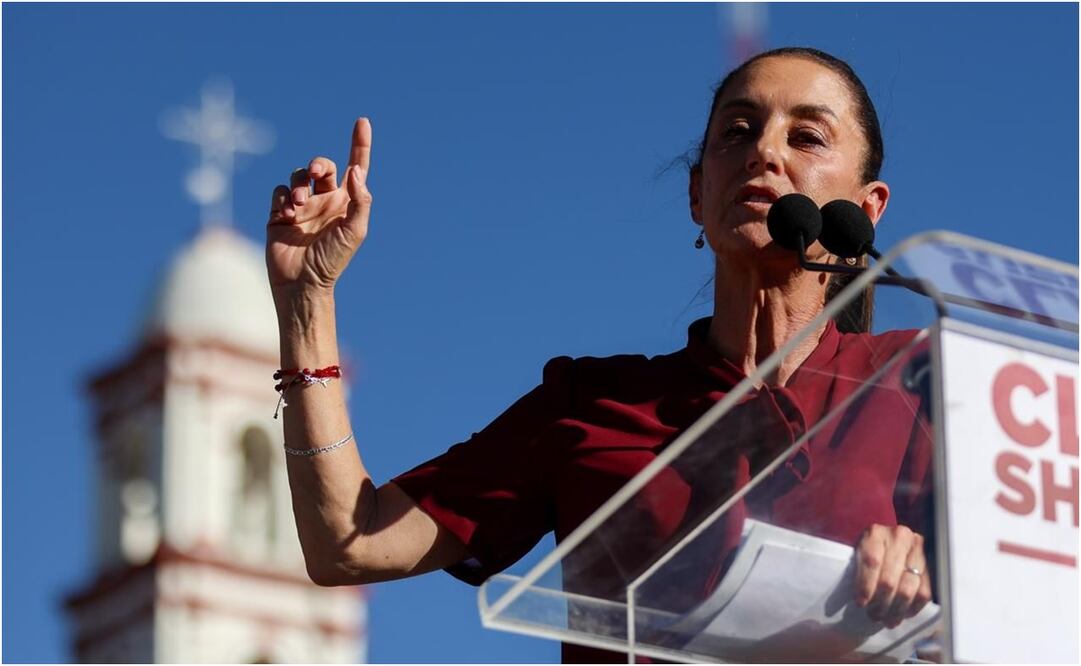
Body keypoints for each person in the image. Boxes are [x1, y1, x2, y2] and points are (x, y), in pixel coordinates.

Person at [265, 46, 935, 663]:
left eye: (806, 136)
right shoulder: (588, 404)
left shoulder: (928, 381)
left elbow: (1030, 575)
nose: (762, 152)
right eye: (736, 130)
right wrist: (307, 299)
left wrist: (941, 569)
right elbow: (349, 545)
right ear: (696, 194)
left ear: (866, 209)